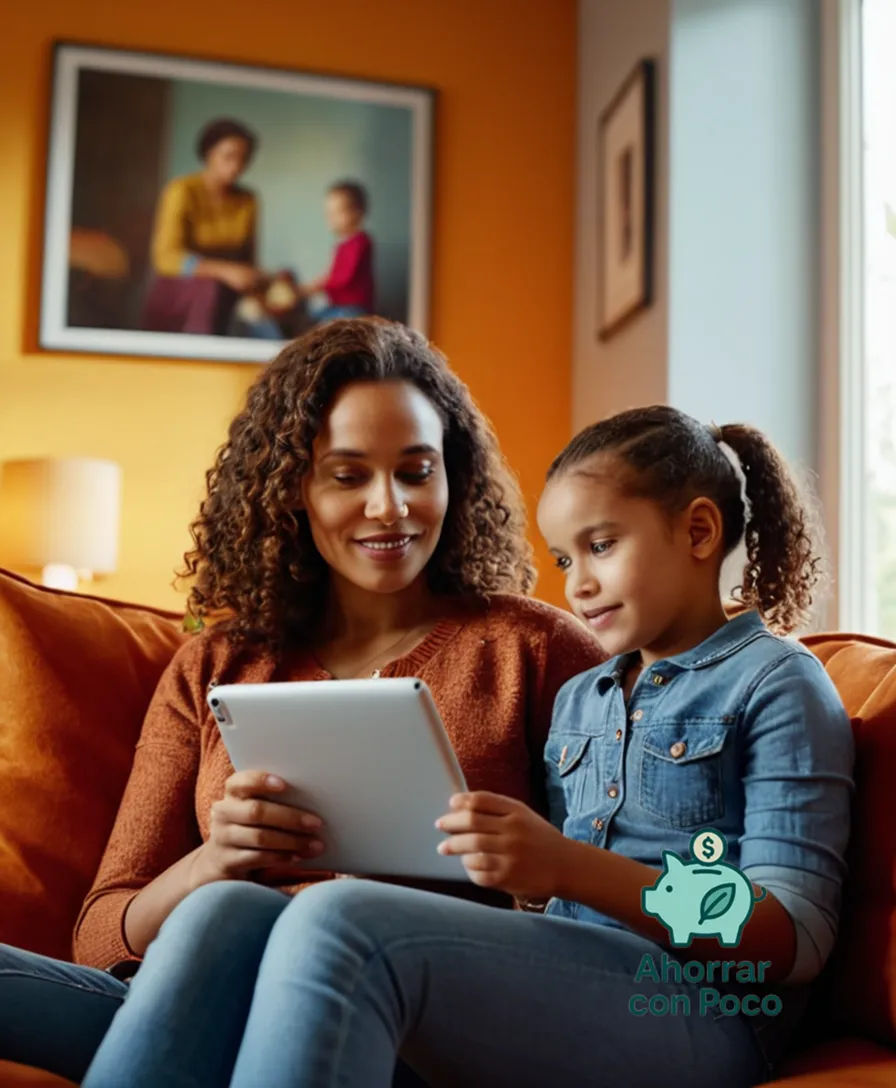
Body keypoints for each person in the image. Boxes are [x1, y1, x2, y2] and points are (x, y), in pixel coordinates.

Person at [77, 406, 854, 1088]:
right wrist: (513, 872)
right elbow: (548, 902)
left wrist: (564, 867)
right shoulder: (587, 693)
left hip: (696, 1009)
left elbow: (792, 940)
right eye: (564, 560)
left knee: (338, 917)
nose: (578, 585)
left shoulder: (778, 685)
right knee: (227, 915)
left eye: (602, 545)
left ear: (698, 530)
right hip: (576, 981)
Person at [0, 318, 605, 1085]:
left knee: (246, 933)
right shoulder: (215, 667)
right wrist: (214, 864)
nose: (390, 508)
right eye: (348, 476)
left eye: (416, 471)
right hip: (204, 989)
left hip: (413, 1021)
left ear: (453, 477)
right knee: (219, 919)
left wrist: (524, 877)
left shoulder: (537, 649)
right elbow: (98, 939)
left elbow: (610, 909)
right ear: (292, 488)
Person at [142, 117, 282, 338]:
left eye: (243, 159)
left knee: (278, 293)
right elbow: (165, 257)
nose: (236, 166)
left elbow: (248, 261)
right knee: (209, 288)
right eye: (228, 156)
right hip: (180, 291)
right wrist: (225, 271)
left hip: (227, 291)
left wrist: (262, 280)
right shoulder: (182, 191)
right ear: (209, 154)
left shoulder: (247, 200)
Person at [298, 180, 375, 322]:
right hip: (337, 306)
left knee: (321, 329)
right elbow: (333, 273)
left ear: (357, 213)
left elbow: (343, 277)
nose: (330, 218)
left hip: (352, 309)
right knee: (307, 321)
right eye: (328, 212)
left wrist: (318, 285)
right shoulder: (342, 244)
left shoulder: (360, 242)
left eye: (337, 212)